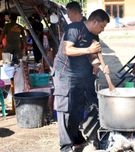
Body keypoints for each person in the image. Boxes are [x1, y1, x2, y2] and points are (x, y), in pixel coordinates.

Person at [53, 9, 110, 152]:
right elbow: (67, 50)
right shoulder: (75, 28)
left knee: (78, 108)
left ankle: (76, 138)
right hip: (64, 74)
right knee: (65, 110)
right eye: (102, 26)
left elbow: (93, 56)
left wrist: (99, 66)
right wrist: (89, 50)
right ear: (94, 21)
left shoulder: (94, 36)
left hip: (80, 76)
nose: (102, 30)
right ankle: (65, 146)